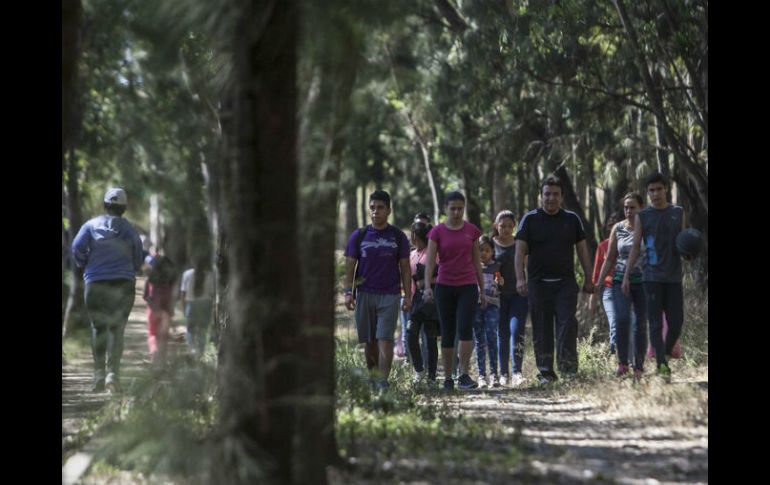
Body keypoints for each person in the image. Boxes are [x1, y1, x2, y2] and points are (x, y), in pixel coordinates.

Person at [515, 175, 595, 385]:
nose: (551, 198)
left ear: (562, 197)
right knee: (542, 328)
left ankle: (568, 370)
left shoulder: (572, 219)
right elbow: (519, 250)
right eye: (547, 194)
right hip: (537, 283)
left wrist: (589, 277)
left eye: (555, 194)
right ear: (541, 196)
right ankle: (545, 372)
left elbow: (583, 250)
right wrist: (520, 278)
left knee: (567, 322)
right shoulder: (530, 219)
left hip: (565, 283)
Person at [72, 187, 143, 393]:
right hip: (123, 283)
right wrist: (132, 267)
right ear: (124, 208)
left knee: (98, 328)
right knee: (116, 328)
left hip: (95, 284)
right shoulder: (130, 230)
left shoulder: (90, 226)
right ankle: (113, 375)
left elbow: (77, 247)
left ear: (105, 205)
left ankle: (98, 376)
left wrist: (84, 264)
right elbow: (138, 255)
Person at [343, 190, 411, 391]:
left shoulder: (398, 236)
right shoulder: (359, 235)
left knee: (385, 339)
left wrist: (408, 295)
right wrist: (348, 292)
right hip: (364, 293)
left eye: (380, 208)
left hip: (390, 294)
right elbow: (350, 266)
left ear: (389, 210)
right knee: (370, 342)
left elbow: (405, 268)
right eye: (372, 208)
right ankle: (373, 379)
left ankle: (383, 383)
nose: (375, 212)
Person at [623, 172, 687, 381]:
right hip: (651, 277)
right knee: (655, 324)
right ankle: (661, 364)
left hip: (674, 277)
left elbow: (683, 242)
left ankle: (665, 352)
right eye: (651, 190)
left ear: (665, 189)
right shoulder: (644, 216)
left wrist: (689, 253)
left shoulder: (678, 212)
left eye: (659, 189)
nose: (655, 194)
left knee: (676, 322)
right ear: (647, 193)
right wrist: (626, 275)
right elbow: (635, 247)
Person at [423, 191, 485, 391]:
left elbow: (477, 261)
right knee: (448, 332)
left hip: (467, 286)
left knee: (466, 329)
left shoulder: (472, 231)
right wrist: (427, 288)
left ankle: (464, 375)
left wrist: (482, 289)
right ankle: (448, 378)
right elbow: (431, 262)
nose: (457, 212)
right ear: (445, 209)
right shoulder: (437, 232)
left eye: (460, 208)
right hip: (445, 286)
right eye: (453, 208)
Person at [597, 193, 647, 379]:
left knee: (640, 323)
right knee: (622, 319)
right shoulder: (617, 228)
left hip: (642, 281)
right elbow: (609, 258)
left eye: (632, 207)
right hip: (619, 281)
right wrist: (598, 284)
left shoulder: (647, 227)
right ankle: (623, 362)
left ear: (641, 208)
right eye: (626, 207)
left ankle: (639, 366)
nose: (628, 211)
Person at [492, 210, 528, 387]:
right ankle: (503, 373)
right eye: (502, 226)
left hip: (518, 295)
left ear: (514, 226)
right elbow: (484, 266)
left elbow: (528, 264)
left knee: (516, 330)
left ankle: (517, 372)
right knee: (502, 334)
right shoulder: (490, 245)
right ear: (495, 226)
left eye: (509, 226)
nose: (506, 229)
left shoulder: (520, 244)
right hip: (497, 297)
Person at [406, 221, 440, 384]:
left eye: (414, 234)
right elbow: (409, 279)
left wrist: (428, 281)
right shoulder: (411, 255)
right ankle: (419, 369)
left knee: (431, 338)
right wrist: (408, 297)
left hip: (432, 300)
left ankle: (432, 376)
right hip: (416, 301)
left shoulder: (434, 253)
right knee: (410, 334)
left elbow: (443, 275)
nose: (412, 238)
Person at [589, 213, 622, 354]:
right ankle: (616, 355)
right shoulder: (603, 246)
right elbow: (596, 274)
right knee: (615, 321)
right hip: (609, 290)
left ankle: (630, 356)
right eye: (611, 225)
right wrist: (593, 297)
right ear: (609, 228)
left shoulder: (632, 243)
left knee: (628, 322)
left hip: (628, 288)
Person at [473, 236, 501, 388]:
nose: (483, 253)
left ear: (492, 252)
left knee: (492, 337)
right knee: (479, 340)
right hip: (476, 306)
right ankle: (481, 375)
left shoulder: (497, 267)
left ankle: (494, 375)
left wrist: (500, 283)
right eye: (480, 250)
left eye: (487, 250)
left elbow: (501, 284)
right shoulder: (471, 267)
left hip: (492, 306)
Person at [143, 255, 177, 366]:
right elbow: (172, 298)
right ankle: (162, 361)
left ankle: (154, 353)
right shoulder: (171, 282)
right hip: (166, 313)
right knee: (163, 337)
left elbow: (145, 296)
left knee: (152, 335)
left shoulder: (150, 279)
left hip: (153, 311)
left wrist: (154, 308)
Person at [180, 256, 215, 357]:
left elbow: (183, 293)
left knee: (190, 330)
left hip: (191, 304)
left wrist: (183, 307)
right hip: (205, 304)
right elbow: (212, 294)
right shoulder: (210, 275)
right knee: (202, 330)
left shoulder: (187, 274)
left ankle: (192, 350)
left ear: (193, 262)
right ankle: (201, 353)